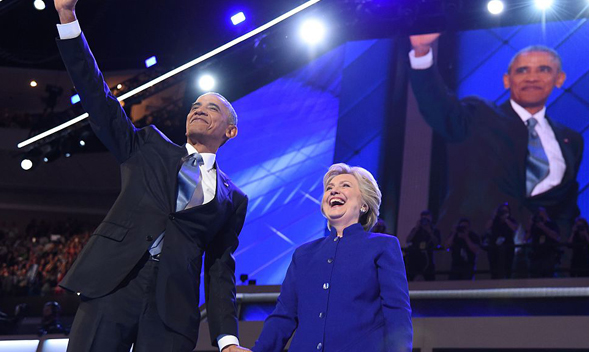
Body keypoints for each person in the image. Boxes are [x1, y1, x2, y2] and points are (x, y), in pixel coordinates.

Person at [52, 1, 249, 351]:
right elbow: (99, 100)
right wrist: (68, 18)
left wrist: (228, 340)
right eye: (195, 106)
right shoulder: (147, 146)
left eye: (212, 108)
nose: (199, 110)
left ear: (230, 131)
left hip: (172, 310)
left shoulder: (232, 199)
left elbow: (220, 270)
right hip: (113, 285)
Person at [408, 33, 584, 240]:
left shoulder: (571, 140)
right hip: (473, 253)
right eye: (522, 70)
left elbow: (566, 206)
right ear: (507, 80)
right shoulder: (478, 115)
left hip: (541, 259)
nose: (532, 78)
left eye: (543, 70)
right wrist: (421, 52)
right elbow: (439, 107)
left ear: (559, 79)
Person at [252, 163, 412, 352]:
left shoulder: (383, 246)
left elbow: (397, 313)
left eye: (345, 185)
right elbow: (283, 316)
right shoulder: (303, 254)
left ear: (364, 204)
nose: (334, 191)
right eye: (329, 188)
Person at [484, 203, 519, 279]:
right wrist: (494, 216)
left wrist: (506, 219)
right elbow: (487, 227)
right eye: (502, 211)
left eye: (506, 211)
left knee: (508, 266)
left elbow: (515, 229)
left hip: (508, 246)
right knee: (494, 267)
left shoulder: (511, 220)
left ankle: (507, 279)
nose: (504, 212)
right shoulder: (495, 220)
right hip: (495, 247)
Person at [404, 210, 441, 281]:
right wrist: (416, 228)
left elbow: (437, 243)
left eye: (426, 219)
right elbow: (408, 240)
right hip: (415, 258)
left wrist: (429, 231)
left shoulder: (435, 230)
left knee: (429, 279)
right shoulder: (416, 230)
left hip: (428, 258)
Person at [525, 207, 561, 278]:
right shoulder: (534, 226)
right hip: (535, 255)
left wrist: (543, 227)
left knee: (547, 275)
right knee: (534, 275)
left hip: (548, 254)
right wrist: (530, 224)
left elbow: (556, 237)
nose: (540, 215)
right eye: (538, 214)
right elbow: (526, 238)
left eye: (542, 213)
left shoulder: (551, 224)